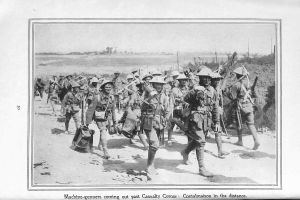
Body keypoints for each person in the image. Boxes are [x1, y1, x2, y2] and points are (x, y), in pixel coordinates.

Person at [181, 67, 219, 177]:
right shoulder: (195, 88)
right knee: (201, 142)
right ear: (200, 78)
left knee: (198, 141)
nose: (206, 80)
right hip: (196, 118)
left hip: (207, 119)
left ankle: (185, 152)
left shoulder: (213, 90)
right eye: (203, 78)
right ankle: (202, 168)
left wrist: (216, 122)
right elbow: (185, 99)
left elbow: (215, 107)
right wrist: (194, 93)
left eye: (208, 78)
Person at [140, 76, 170, 177]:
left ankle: (150, 164)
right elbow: (140, 106)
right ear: (153, 84)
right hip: (148, 121)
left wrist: (166, 118)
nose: (159, 86)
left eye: (161, 84)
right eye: (157, 84)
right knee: (154, 144)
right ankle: (149, 166)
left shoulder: (163, 95)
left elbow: (167, 109)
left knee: (154, 146)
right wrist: (149, 97)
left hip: (159, 122)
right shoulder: (147, 93)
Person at [227, 66, 260, 150]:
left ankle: (240, 140)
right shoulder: (250, 83)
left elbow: (233, 98)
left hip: (240, 107)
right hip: (249, 106)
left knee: (239, 123)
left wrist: (227, 93)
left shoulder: (236, 85)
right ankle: (256, 140)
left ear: (238, 75)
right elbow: (255, 95)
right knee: (251, 124)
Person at [85, 80, 117, 159]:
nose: (108, 88)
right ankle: (105, 151)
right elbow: (91, 109)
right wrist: (87, 122)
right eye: (106, 87)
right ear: (103, 87)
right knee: (103, 131)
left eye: (109, 87)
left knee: (104, 130)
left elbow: (113, 110)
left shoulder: (112, 97)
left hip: (108, 117)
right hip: (100, 117)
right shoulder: (97, 96)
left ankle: (100, 145)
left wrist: (114, 120)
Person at [119, 80, 149, 149]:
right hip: (137, 113)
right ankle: (145, 144)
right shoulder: (135, 94)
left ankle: (131, 137)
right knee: (139, 129)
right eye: (142, 86)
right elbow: (130, 105)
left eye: (145, 85)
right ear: (139, 87)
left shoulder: (148, 94)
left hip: (146, 113)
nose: (144, 87)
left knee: (140, 129)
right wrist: (132, 114)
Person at [211, 72, 230, 159]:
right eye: (215, 79)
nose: (218, 81)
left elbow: (220, 99)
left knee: (218, 131)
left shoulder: (218, 89)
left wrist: (221, 108)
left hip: (216, 112)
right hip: (209, 113)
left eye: (218, 79)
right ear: (211, 80)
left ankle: (220, 151)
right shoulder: (210, 89)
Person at [167, 73, 190, 145]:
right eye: (182, 80)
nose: (184, 81)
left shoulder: (188, 89)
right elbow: (172, 100)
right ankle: (169, 139)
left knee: (187, 125)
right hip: (176, 109)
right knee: (171, 124)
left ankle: (189, 141)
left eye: (185, 80)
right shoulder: (175, 89)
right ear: (179, 81)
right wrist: (171, 110)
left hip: (185, 110)